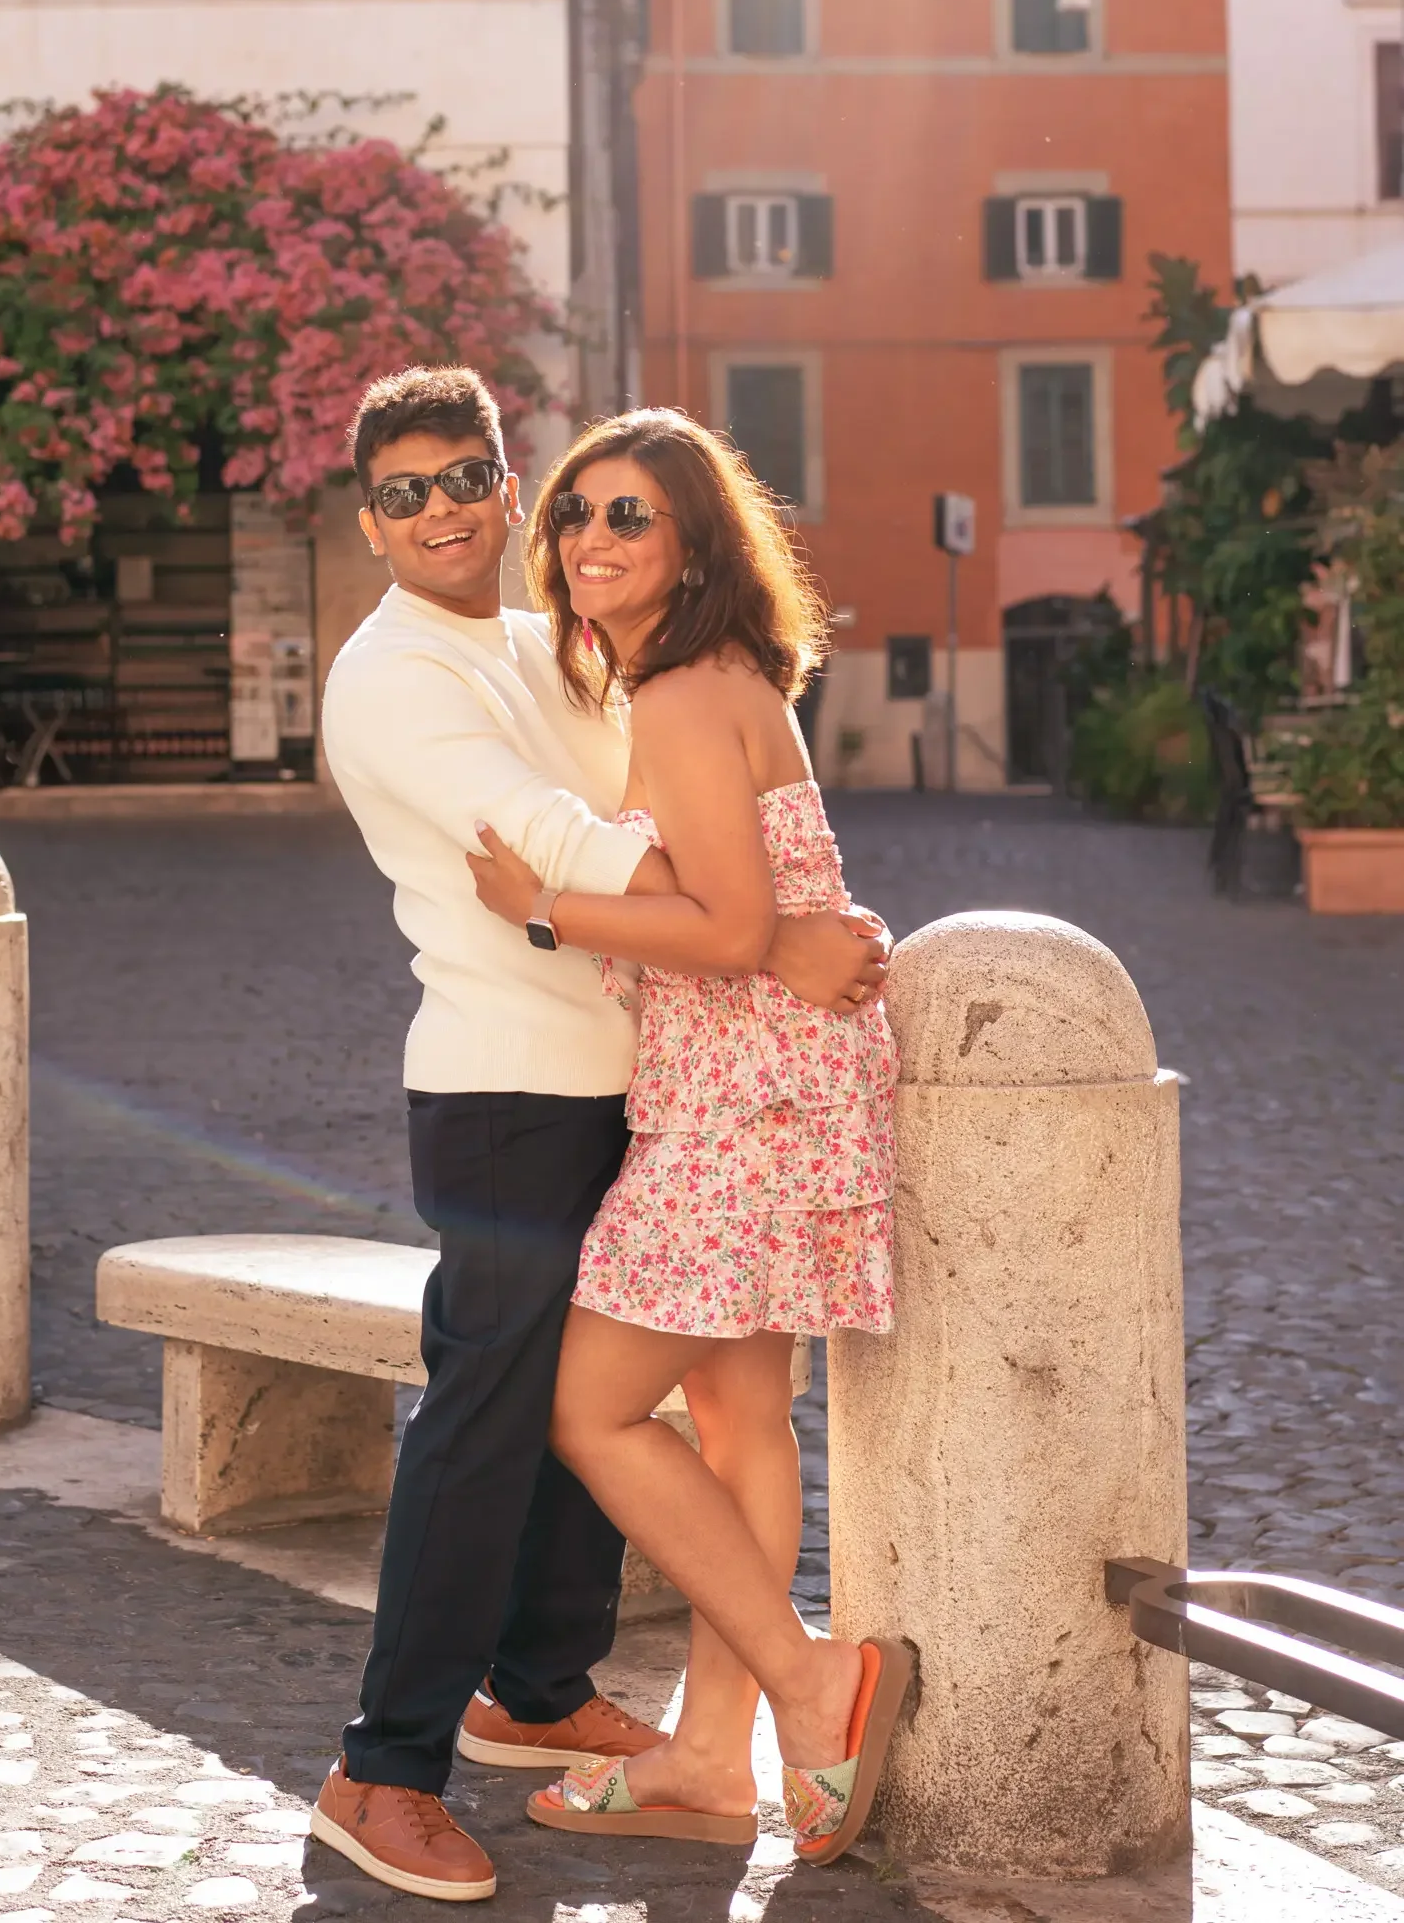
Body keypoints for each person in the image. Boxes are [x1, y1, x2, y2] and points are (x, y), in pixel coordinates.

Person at [312, 366, 893, 1903]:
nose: (442, 509)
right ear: (367, 522)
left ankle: (541, 1681)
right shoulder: (387, 678)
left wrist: (748, 911)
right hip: (508, 1092)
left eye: (468, 479)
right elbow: (564, 844)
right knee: (497, 1420)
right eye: (401, 491)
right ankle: (382, 1770)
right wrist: (774, 936)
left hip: (658, 1080)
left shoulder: (547, 647)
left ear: (504, 487)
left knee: (667, 1415)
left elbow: (692, 795)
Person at [467, 406, 910, 1868]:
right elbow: (759, 918)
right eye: (577, 513)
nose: (591, 537)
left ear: (693, 545)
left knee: (586, 1405)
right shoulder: (699, 679)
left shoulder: (678, 693)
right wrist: (779, 944)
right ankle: (712, 1758)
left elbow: (724, 925)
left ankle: (808, 1684)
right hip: (764, 1074)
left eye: (629, 517)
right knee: (733, 1419)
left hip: (747, 1097)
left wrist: (543, 903)